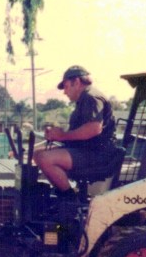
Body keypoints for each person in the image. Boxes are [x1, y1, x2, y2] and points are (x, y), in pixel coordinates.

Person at [34, 65, 117, 199]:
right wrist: (58, 134)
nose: (64, 92)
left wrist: (62, 136)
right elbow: (82, 130)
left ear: (77, 82)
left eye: (66, 87)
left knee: (44, 158)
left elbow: (94, 128)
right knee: (38, 154)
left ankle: (69, 199)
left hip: (96, 155)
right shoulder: (84, 99)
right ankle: (65, 194)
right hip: (87, 151)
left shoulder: (91, 97)